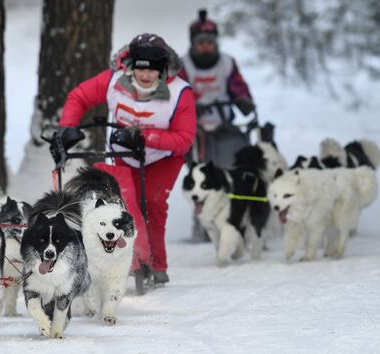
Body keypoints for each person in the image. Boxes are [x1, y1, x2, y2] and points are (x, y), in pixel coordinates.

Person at [58, 33, 196, 284]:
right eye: (140, 69)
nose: (145, 76)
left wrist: (146, 137)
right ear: (131, 65)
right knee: (123, 203)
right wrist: (67, 127)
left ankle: (157, 264)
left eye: (153, 71)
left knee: (152, 203)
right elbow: (79, 97)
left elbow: (185, 138)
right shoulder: (113, 81)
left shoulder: (180, 93)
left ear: (163, 69)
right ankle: (133, 261)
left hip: (163, 157)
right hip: (124, 153)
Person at [179, 10, 256, 242]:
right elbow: (176, 94)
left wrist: (243, 100)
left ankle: (237, 216)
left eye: (210, 42)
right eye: (201, 42)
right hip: (194, 129)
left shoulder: (227, 63)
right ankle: (201, 223)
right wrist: (190, 106)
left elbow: (239, 87)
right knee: (200, 173)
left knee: (234, 166)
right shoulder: (182, 66)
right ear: (193, 43)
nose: (206, 47)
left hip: (224, 126)